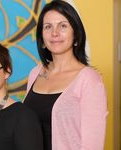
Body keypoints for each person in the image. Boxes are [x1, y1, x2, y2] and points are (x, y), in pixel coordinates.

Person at [23, 1, 108, 150]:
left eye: (63, 26)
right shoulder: (35, 73)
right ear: (42, 38)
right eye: (48, 27)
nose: (55, 33)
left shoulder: (89, 80)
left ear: (76, 35)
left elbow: (92, 145)